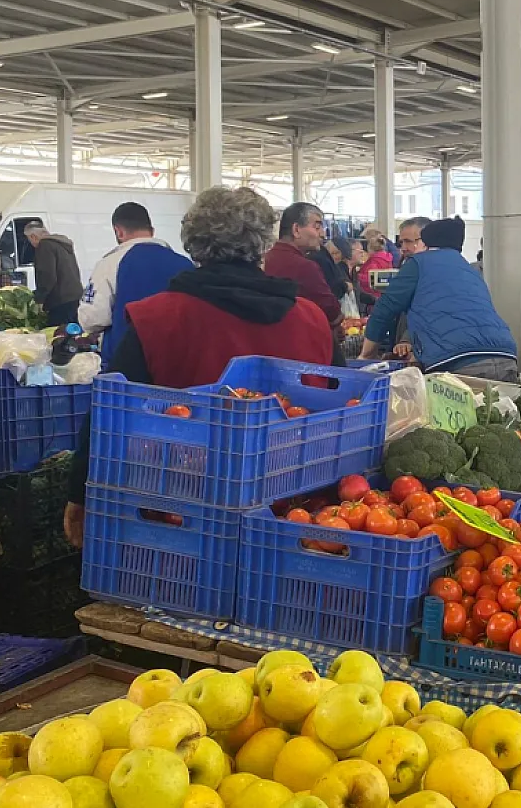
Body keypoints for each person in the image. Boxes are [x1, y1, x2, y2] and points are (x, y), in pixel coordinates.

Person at [64, 187, 342, 548]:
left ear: (193, 242)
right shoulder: (311, 318)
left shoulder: (157, 318)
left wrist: (78, 493)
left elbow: (109, 412)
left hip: (181, 516)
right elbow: (340, 407)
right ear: (263, 244)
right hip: (294, 515)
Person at [360, 217, 520, 381]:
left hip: (457, 362)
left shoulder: (419, 263)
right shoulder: (467, 268)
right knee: (497, 406)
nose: (404, 248)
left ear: (424, 243)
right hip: (505, 356)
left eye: (411, 242)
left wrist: (366, 355)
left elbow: (384, 309)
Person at [80, 203, 194, 370]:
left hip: (126, 367)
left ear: (118, 231)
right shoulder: (185, 264)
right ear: (152, 231)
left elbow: (92, 319)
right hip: (179, 364)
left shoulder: (109, 264)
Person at [265, 203, 342, 327]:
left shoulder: (264, 260)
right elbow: (331, 311)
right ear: (296, 230)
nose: (322, 234)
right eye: (317, 227)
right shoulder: (304, 267)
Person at [23, 221, 82, 327]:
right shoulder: (61, 245)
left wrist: (39, 299)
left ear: (33, 236)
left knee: (58, 336)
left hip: (59, 301)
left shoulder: (44, 246)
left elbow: (47, 276)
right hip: (74, 298)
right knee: (72, 335)